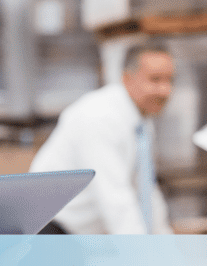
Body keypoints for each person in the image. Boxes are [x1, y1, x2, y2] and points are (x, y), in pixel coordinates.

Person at [29, 42, 175, 234]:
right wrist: (143, 251)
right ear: (127, 79)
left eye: (170, 80)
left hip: (83, 235)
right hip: (51, 231)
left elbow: (146, 191)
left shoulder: (141, 124)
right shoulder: (98, 118)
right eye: (155, 80)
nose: (165, 90)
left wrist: (166, 245)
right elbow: (116, 200)